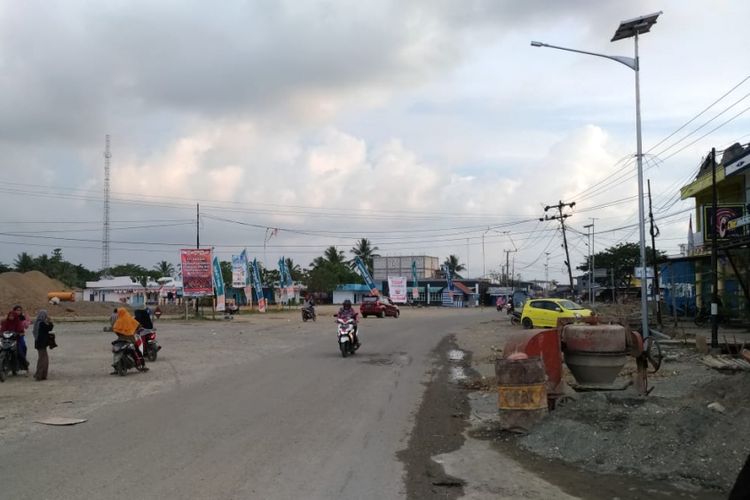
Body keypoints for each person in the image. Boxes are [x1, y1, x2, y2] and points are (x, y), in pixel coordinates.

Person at [2, 305, 29, 371]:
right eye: (10, 316)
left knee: (20, 351)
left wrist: (19, 334)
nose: (11, 317)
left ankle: (25, 365)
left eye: (12, 316)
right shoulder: (5, 322)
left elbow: (22, 330)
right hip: (6, 340)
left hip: (16, 339)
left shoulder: (18, 322)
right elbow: (2, 329)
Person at [32, 310, 54, 381]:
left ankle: (40, 374)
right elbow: (50, 328)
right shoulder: (41, 323)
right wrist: (50, 321)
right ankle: (40, 375)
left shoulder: (37, 323)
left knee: (41, 358)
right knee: (43, 359)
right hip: (42, 344)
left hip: (38, 343)